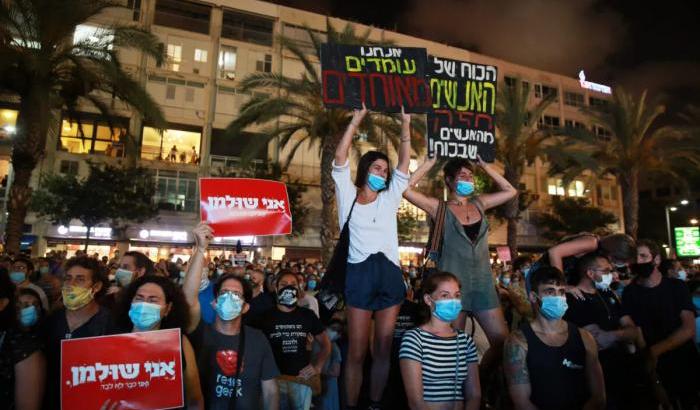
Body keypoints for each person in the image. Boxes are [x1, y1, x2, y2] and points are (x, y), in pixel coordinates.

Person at [403, 154, 517, 382]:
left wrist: (486, 165)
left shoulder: (480, 204)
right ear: (449, 181)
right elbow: (404, 189)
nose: (468, 179)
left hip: (483, 284)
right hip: (452, 288)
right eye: (462, 175)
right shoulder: (439, 208)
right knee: (453, 346)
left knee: (503, 343)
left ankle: (479, 382)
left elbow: (510, 191)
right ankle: (462, 394)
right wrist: (428, 164)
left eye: (470, 175)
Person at [333, 104, 411, 410]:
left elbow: (404, 161)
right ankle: (351, 405)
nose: (383, 173)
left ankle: (375, 404)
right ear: (365, 169)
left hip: (390, 274)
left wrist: (405, 125)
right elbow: (340, 158)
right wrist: (355, 121)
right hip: (359, 275)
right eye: (377, 168)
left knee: (382, 348)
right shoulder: (347, 194)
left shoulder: (390, 197)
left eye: (385, 169)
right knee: (356, 351)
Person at [184, 223, 280, 410]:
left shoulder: (258, 340)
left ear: (245, 307)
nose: (229, 297)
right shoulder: (199, 334)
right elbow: (188, 299)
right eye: (224, 292)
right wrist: (201, 249)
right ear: (214, 302)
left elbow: (270, 391)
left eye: (236, 295)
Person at [503, 266, 605, 410]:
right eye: (550, 291)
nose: (557, 298)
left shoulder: (584, 337)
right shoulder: (518, 342)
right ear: (533, 297)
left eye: (561, 292)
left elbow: (599, 398)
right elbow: (522, 403)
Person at [564, 253, 649, 409]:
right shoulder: (572, 299)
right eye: (606, 271)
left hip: (623, 370)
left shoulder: (608, 294)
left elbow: (633, 329)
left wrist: (614, 335)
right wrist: (620, 335)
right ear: (590, 273)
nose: (612, 275)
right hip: (594, 376)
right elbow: (592, 340)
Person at [112, 275, 204, 409]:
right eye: (139, 298)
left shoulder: (180, 343)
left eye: (152, 300)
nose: (144, 305)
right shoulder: (112, 341)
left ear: (167, 309)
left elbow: (194, 399)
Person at [622, 254, 700, 408]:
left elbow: (688, 329)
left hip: (683, 359)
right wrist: (651, 369)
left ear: (656, 259)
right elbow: (634, 328)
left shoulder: (676, 286)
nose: (639, 261)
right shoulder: (629, 292)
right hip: (654, 366)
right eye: (635, 257)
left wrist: (653, 352)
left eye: (643, 256)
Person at [399, 272, 481, 410]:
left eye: (457, 295)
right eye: (445, 295)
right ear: (428, 300)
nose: (453, 301)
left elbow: (474, 395)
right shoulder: (414, 340)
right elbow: (416, 402)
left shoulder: (465, 341)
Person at [43, 256, 116, 410]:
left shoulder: (110, 323)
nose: (71, 284)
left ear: (96, 287)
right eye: (68, 278)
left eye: (80, 279)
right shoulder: (50, 319)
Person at [253, 271, 331, 410]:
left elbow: (325, 343)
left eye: (293, 284)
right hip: (271, 381)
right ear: (276, 289)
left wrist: (318, 366)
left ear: (298, 288)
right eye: (284, 284)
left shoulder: (307, 315)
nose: (289, 288)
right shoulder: (264, 317)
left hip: (301, 380)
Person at [0, 270, 46, 410]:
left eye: (34, 305)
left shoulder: (23, 346)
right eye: (23, 305)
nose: (29, 309)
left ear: (3, 303)